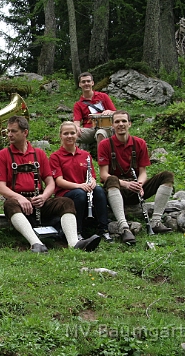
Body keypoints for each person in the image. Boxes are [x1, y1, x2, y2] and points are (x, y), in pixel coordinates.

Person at [0, 116, 101, 253]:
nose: (9, 134)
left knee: (66, 202)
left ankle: (74, 243)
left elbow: (50, 182)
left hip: (39, 201)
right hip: (18, 201)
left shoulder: (39, 154)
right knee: (9, 204)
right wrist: (19, 198)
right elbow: (0, 186)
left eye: (13, 131)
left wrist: (44, 197)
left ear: (25, 132)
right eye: (8, 131)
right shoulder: (3, 155)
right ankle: (36, 244)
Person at [98, 110, 173, 244]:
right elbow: (103, 175)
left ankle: (156, 221)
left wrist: (139, 184)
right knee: (111, 179)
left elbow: (143, 172)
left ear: (130, 124)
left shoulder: (140, 143)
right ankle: (124, 227)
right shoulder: (104, 144)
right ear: (112, 126)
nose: (121, 124)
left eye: (124, 121)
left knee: (167, 176)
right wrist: (126, 184)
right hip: (116, 189)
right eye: (117, 122)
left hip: (136, 189)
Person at [50, 122, 112, 243]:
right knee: (80, 194)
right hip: (66, 193)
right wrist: (79, 186)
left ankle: (104, 229)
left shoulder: (85, 155)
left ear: (77, 134)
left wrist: (92, 182)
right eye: (66, 133)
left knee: (99, 190)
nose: (69, 136)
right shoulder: (55, 156)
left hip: (82, 189)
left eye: (72, 133)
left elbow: (92, 176)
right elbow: (59, 181)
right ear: (60, 136)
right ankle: (77, 231)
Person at [73, 72, 116, 150]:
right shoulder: (78, 104)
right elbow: (77, 121)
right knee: (70, 134)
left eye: (88, 81)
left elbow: (116, 113)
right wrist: (76, 127)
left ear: (92, 83)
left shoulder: (103, 96)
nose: (86, 83)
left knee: (100, 133)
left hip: (105, 127)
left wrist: (109, 111)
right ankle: (71, 158)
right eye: (83, 82)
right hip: (89, 129)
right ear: (80, 84)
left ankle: (102, 159)